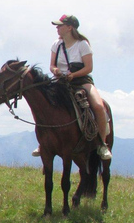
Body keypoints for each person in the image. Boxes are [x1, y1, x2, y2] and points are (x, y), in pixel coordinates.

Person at [32, 14, 112, 160]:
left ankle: (102, 144)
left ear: (69, 27)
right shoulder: (56, 44)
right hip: (60, 82)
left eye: (60, 25)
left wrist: (73, 75)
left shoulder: (82, 44)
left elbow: (88, 68)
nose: (57, 28)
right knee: (44, 105)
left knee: (99, 107)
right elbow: (52, 65)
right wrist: (55, 70)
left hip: (81, 81)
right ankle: (43, 143)